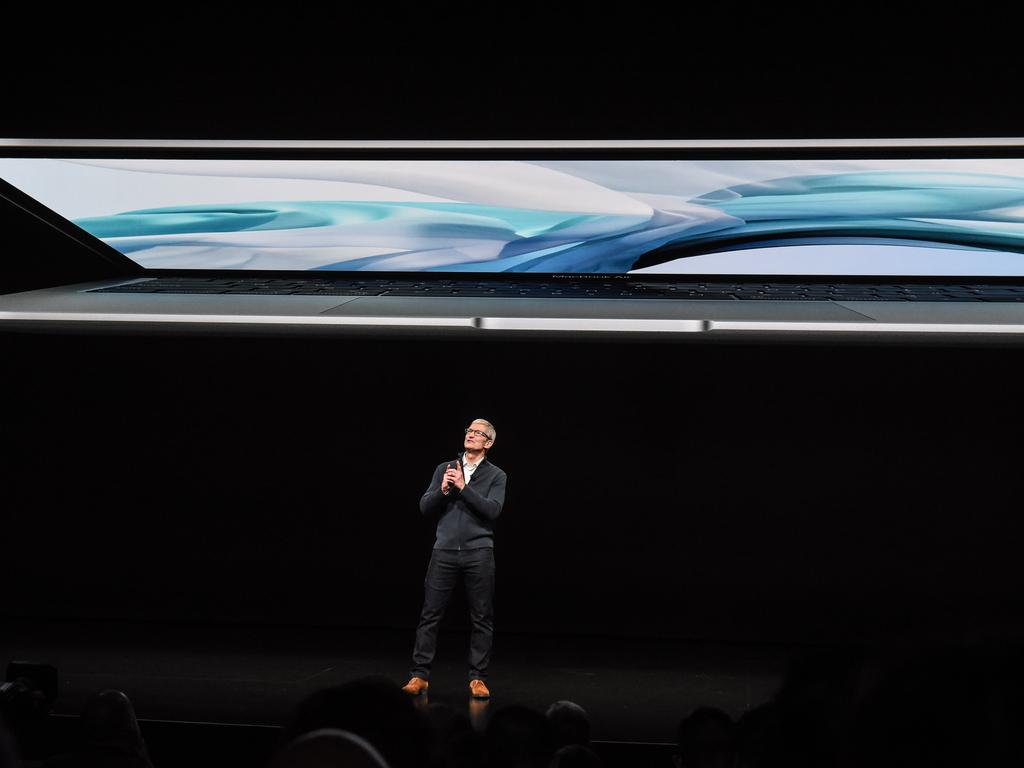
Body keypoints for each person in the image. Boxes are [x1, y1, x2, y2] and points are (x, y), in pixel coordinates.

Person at [403, 419, 507, 699]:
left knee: (481, 617)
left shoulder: (497, 475)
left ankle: (478, 678)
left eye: (479, 433)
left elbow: (492, 510)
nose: (472, 435)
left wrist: (463, 487)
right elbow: (425, 506)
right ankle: (419, 675)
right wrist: (444, 490)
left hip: (479, 553)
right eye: (469, 431)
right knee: (430, 614)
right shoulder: (445, 469)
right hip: (444, 551)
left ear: (489, 443)